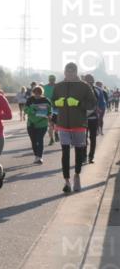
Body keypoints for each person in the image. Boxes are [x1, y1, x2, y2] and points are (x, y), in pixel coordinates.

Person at [52, 63, 97, 193]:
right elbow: (53, 100)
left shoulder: (84, 86)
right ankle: (67, 181)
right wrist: (57, 103)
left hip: (79, 124)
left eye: (72, 72)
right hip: (63, 125)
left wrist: (78, 103)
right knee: (65, 152)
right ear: (64, 72)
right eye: (67, 71)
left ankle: (77, 175)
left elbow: (92, 103)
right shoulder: (59, 86)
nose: (70, 74)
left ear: (76, 72)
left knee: (79, 153)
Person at [24, 86, 52, 164]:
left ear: (41, 93)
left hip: (42, 124)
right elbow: (25, 110)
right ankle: (36, 155)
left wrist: (49, 115)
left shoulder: (46, 100)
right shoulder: (30, 100)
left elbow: (50, 111)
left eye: (39, 92)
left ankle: (39, 157)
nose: (37, 94)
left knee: (39, 140)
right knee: (33, 141)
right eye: (35, 92)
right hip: (31, 124)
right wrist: (32, 109)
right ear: (33, 92)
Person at [84, 75, 107, 164]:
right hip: (83, 118)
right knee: (83, 139)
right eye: (87, 81)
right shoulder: (80, 90)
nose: (89, 83)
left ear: (93, 81)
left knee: (93, 138)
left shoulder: (98, 90)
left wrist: (99, 114)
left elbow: (102, 104)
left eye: (91, 81)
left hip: (94, 118)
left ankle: (91, 156)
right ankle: (83, 156)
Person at [44, 75, 58, 145]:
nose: (52, 81)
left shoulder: (58, 86)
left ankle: (56, 133)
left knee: (56, 123)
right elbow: (43, 97)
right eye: (50, 79)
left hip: (56, 107)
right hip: (48, 108)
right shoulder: (45, 87)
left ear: (54, 80)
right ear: (49, 80)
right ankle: (51, 138)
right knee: (50, 124)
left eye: (53, 79)